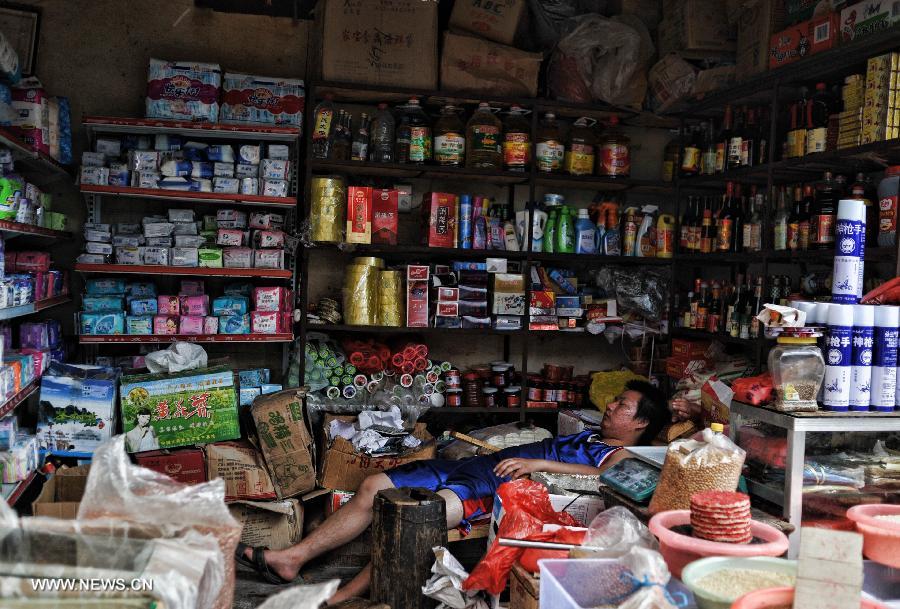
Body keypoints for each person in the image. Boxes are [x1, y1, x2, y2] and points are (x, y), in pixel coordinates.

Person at [239, 379, 668, 604]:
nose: (611, 406)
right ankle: (292, 558)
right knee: (374, 486)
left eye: (623, 406)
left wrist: (537, 463)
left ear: (641, 424)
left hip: (500, 485)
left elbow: (604, 478)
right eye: (615, 401)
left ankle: (352, 593)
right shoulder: (591, 434)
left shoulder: (620, 454)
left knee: (417, 514)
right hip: (477, 465)